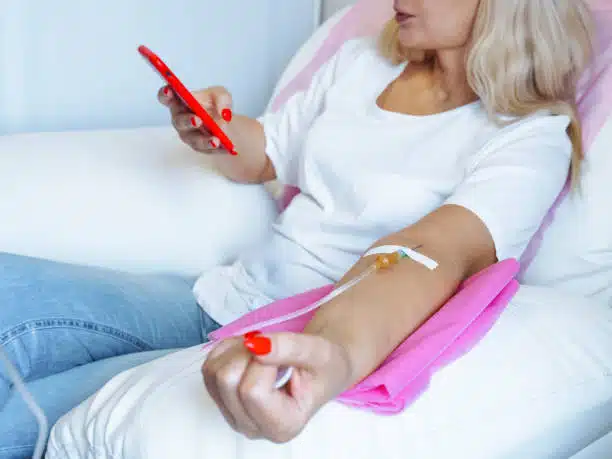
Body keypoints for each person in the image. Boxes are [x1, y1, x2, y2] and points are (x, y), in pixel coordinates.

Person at [1, 0, 594, 457]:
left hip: (276, 336)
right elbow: (265, 154)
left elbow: (430, 249)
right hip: (216, 295)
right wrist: (215, 129)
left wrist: (335, 352)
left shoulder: (528, 137)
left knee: (22, 416)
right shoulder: (363, 62)